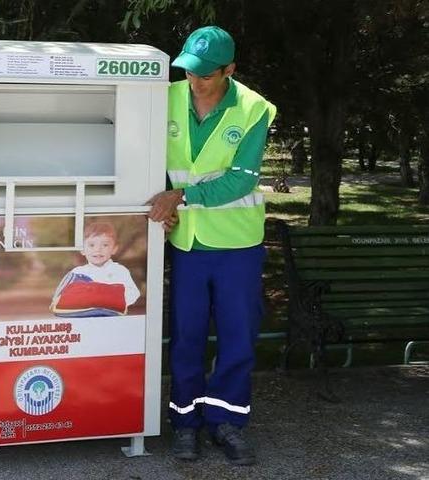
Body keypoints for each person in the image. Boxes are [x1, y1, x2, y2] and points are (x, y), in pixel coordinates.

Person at [147, 26, 276, 466]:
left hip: (238, 244)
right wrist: (160, 208)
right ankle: (185, 423)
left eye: (206, 75)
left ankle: (227, 422)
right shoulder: (162, 99)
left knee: (238, 338)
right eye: (189, 72)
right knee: (186, 335)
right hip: (187, 244)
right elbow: (148, 162)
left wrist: (181, 197)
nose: (195, 81)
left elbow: (243, 177)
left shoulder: (254, 108)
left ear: (229, 70)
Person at [51, 222, 140, 317]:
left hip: (112, 319)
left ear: (114, 248)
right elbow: (61, 298)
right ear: (82, 249)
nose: (98, 249)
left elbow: (133, 293)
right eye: (91, 245)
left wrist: (109, 299)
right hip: (83, 319)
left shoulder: (119, 270)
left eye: (105, 245)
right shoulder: (77, 272)